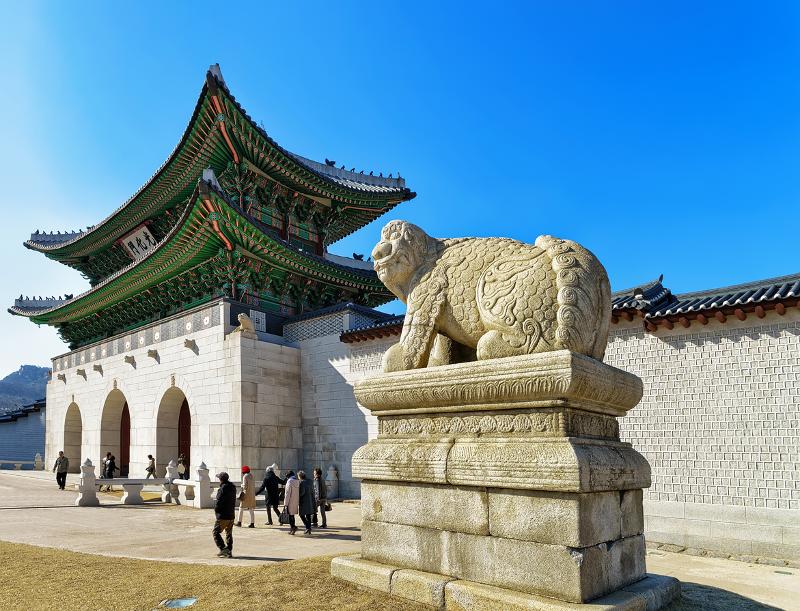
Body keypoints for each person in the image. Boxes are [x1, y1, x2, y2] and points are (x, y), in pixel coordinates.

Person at [212, 472, 236, 558]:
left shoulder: (222, 489)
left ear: (221, 480)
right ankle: (229, 550)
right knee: (228, 533)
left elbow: (218, 502)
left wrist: (216, 512)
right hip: (231, 514)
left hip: (223, 515)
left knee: (215, 532)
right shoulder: (233, 487)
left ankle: (223, 549)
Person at [298, 470, 315, 535]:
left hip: (303, 501)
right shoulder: (310, 481)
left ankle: (307, 527)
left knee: (301, 515)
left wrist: (298, 496)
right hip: (310, 500)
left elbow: (302, 493)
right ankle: (309, 528)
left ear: (300, 476)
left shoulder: (302, 482)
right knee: (308, 515)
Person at [282, 471, 299, 535]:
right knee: (292, 515)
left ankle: (293, 528)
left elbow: (287, 494)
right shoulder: (297, 481)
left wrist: (285, 504)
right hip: (295, 501)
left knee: (290, 516)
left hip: (290, 501)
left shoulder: (289, 482)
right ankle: (293, 527)